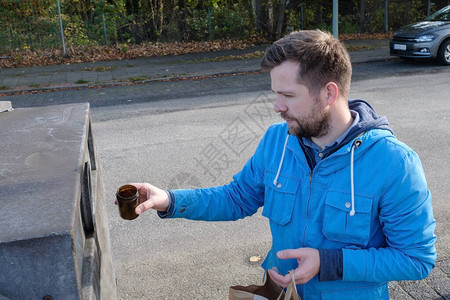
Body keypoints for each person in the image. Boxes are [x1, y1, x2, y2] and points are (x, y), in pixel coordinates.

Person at [130, 29, 436, 299]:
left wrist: (329, 262)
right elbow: (237, 198)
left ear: (329, 93)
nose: (277, 106)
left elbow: (416, 258)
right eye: (275, 94)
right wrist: (169, 200)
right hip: (278, 293)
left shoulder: (395, 163)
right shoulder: (277, 140)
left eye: (288, 95)